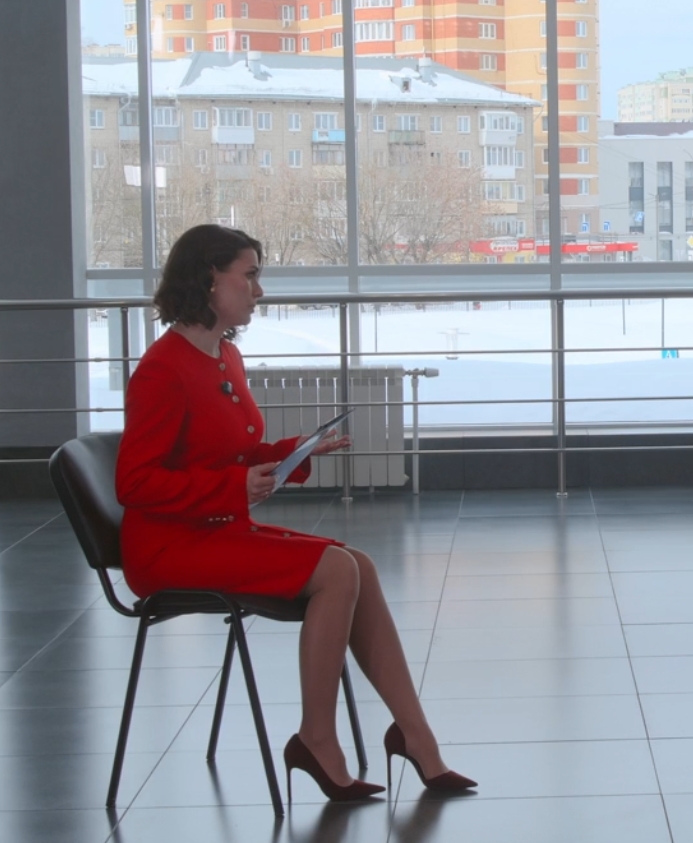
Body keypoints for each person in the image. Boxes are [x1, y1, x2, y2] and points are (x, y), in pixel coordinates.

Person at [115, 224, 475, 801]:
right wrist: (233, 486)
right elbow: (134, 483)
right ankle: (317, 739)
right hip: (169, 549)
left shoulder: (223, 355)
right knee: (337, 571)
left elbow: (224, 452)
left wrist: (292, 453)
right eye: (250, 276)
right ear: (209, 279)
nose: (259, 290)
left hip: (215, 530)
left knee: (358, 564)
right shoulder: (163, 369)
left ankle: (415, 735)